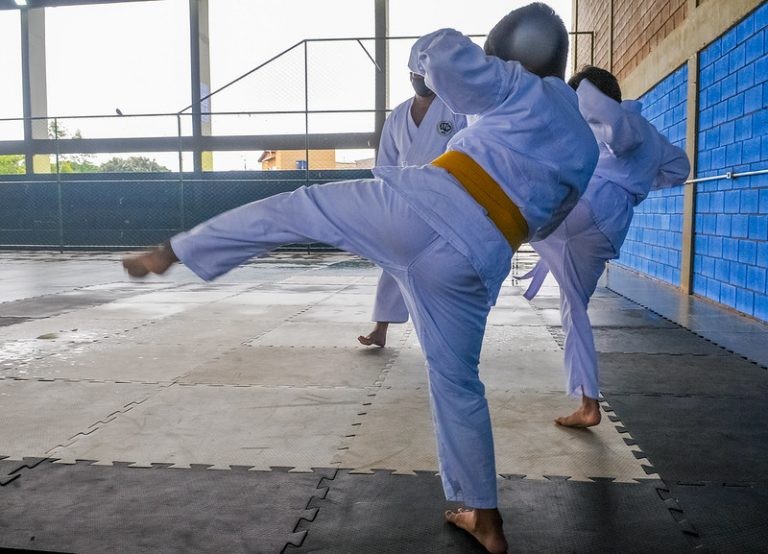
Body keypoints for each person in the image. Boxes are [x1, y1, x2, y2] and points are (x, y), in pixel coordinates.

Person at [122, 5, 598, 552]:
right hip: (480, 256)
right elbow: (553, 218)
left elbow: (442, 50)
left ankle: (174, 252)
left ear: (511, 53)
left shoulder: (515, 86)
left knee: (295, 209)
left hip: (420, 206)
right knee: (458, 385)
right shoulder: (584, 144)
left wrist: (425, 63)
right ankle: (484, 516)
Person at [518, 66, 690, 428]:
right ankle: (588, 404)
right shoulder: (652, 136)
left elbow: (618, 133)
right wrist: (638, 182)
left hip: (590, 208)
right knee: (573, 307)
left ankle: (469, 247)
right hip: (611, 226)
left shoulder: (614, 122)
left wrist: (575, 97)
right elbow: (680, 169)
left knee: (518, 199)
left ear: (589, 97)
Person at [358, 70, 468, 347]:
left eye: (425, 72)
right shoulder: (397, 115)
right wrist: (386, 198)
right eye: (415, 73)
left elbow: (468, 152)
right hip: (405, 197)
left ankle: (448, 332)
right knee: (393, 260)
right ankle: (380, 328)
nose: (420, 78)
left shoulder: (455, 110)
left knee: (445, 267)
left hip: (445, 196)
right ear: (409, 76)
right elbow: (386, 161)